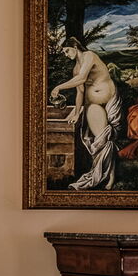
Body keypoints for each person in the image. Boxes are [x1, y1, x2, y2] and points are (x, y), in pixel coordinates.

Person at [49, 34, 121, 190]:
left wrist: (58, 87)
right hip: (93, 105)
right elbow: (80, 92)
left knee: (105, 139)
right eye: (64, 52)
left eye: (67, 51)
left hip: (110, 100)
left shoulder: (89, 55)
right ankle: (107, 175)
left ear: (75, 47)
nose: (65, 54)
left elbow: (82, 78)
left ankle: (111, 175)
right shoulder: (76, 69)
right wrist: (76, 113)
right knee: (101, 140)